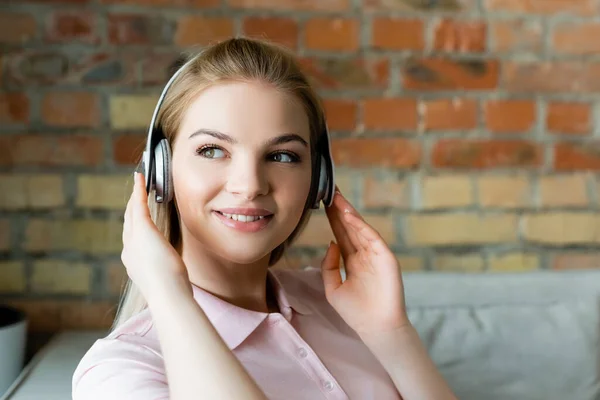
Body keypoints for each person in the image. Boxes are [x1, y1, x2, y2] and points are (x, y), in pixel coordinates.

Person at [71, 37, 457, 400]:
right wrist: (169, 296)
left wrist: (391, 333)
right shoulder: (119, 372)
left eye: (283, 156)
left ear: (318, 181)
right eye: (212, 150)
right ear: (161, 171)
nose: (250, 185)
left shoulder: (342, 303)